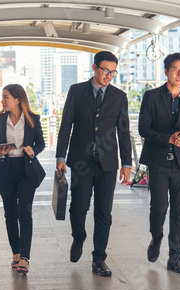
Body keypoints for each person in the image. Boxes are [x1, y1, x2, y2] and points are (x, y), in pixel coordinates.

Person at [56, 51, 132, 276]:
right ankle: (78, 237)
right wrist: (61, 157)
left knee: (104, 212)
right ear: (94, 68)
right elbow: (65, 125)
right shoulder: (77, 91)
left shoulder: (119, 96)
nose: (109, 76)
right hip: (81, 161)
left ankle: (99, 258)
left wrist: (126, 163)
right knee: (78, 207)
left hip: (107, 164)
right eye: (105, 70)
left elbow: (124, 132)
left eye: (113, 72)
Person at [138, 53, 180, 275]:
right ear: (166, 71)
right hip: (158, 163)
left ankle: (175, 257)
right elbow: (143, 129)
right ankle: (156, 237)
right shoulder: (151, 97)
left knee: (179, 212)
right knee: (159, 208)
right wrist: (169, 138)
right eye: (176, 69)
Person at [0, 84, 45, 274]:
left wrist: (33, 150)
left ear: (17, 99)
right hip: (6, 170)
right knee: (10, 214)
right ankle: (15, 252)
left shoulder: (32, 120)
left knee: (25, 213)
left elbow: (41, 143)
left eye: (6, 97)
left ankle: (24, 257)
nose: (2, 101)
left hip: (26, 171)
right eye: (2, 97)